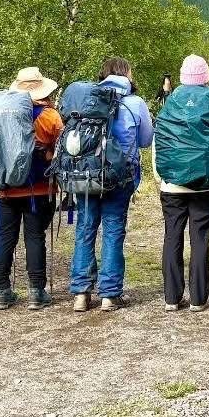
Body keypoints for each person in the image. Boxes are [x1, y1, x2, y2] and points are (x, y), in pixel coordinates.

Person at [69, 57, 153, 312]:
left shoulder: (87, 97)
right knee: (114, 230)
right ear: (127, 74)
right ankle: (109, 294)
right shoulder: (135, 102)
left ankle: (81, 294)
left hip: (86, 175)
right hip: (120, 176)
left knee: (85, 229)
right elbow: (146, 140)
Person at [153, 55, 209, 312]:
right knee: (200, 238)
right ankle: (198, 299)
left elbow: (158, 144)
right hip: (205, 184)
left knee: (172, 236)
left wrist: (160, 178)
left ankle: (171, 298)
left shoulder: (169, 103)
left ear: (182, 76)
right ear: (206, 77)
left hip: (171, 184)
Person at [0, 67, 63, 311]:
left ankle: (1, 291)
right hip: (38, 188)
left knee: (4, 237)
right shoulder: (50, 116)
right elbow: (60, 150)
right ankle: (36, 291)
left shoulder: (1, 112)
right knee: (34, 237)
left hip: (4, 186)